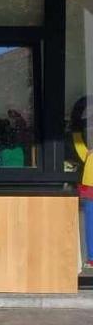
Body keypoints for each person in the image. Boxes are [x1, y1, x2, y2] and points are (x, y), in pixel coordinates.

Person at [70, 97, 93, 267]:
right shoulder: (87, 153)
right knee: (90, 223)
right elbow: (77, 136)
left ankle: (92, 258)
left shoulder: (86, 153)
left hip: (88, 187)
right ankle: (92, 258)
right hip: (89, 188)